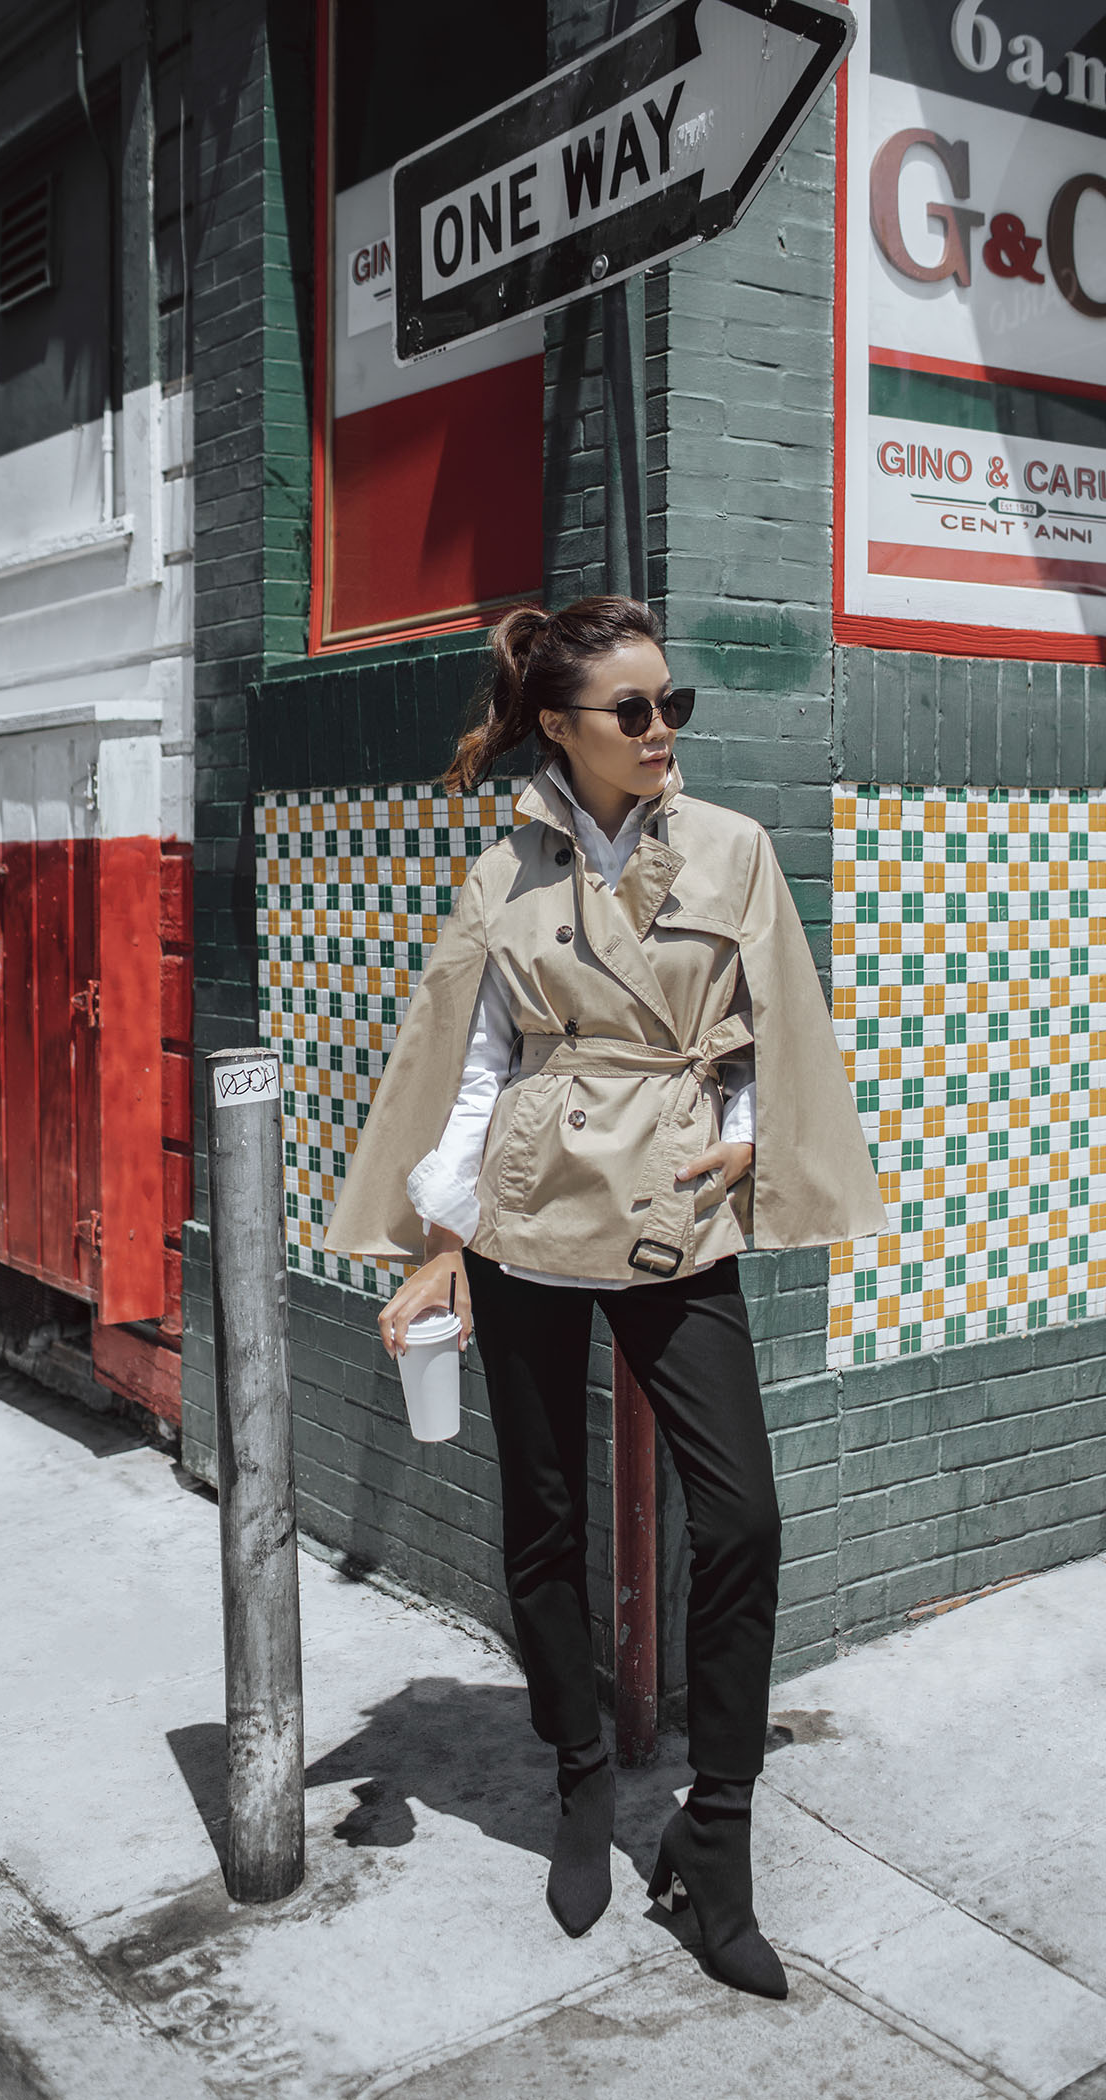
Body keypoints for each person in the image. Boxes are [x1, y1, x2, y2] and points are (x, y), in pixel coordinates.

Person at [325, 597, 884, 1998]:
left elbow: (773, 1016)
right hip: (528, 1205)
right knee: (545, 1515)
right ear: (561, 731)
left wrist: (751, 1124)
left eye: (670, 704)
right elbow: (471, 1064)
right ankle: (580, 1773)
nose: (660, 733)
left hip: (676, 1205)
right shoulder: (503, 876)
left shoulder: (733, 848)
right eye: (629, 713)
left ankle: (718, 1834)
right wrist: (438, 1239)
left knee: (744, 1510)